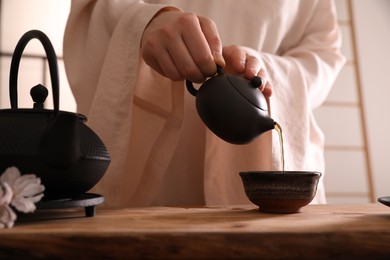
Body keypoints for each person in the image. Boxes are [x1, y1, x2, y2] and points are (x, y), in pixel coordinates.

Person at [63, 0, 345, 207]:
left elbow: (323, 52)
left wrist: (264, 72)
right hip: (154, 158)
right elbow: (90, 11)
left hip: (264, 141)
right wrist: (145, 21)